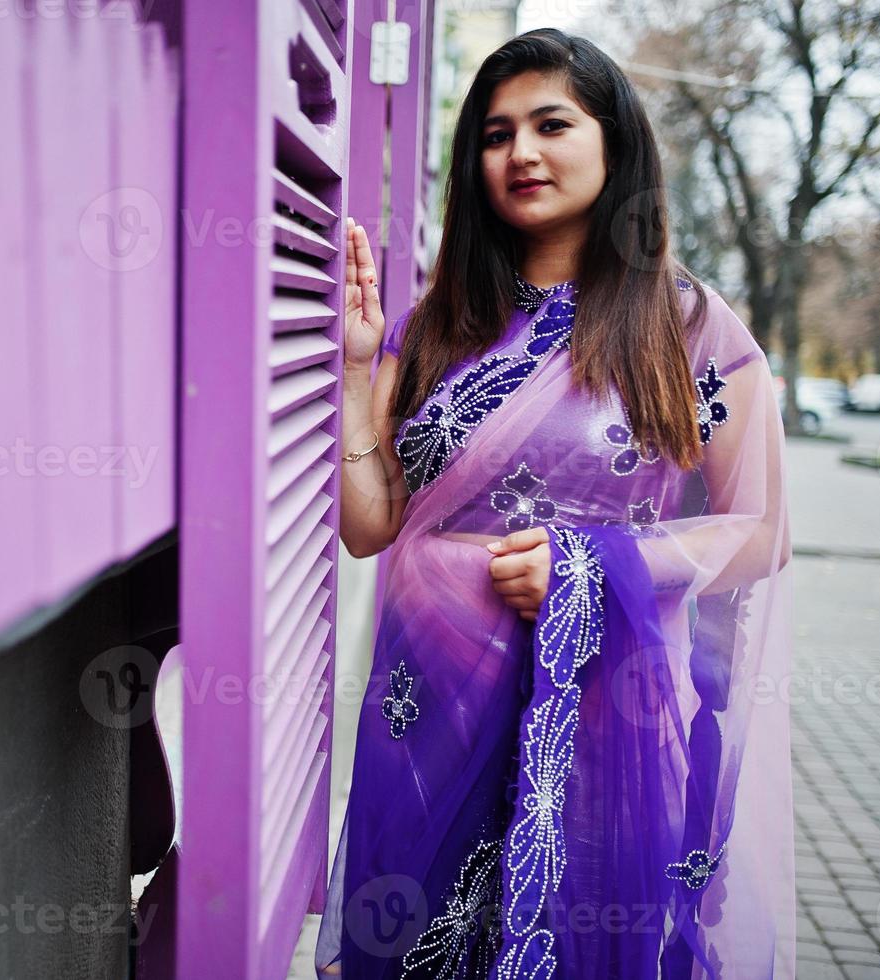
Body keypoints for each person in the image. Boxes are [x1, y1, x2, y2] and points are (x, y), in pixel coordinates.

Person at [316, 28, 794, 979]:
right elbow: (372, 527)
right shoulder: (439, 322)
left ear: (613, 142)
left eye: (550, 123)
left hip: (602, 711)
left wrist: (589, 567)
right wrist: (357, 368)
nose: (520, 153)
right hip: (427, 713)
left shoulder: (688, 327)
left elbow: (760, 532)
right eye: (495, 134)